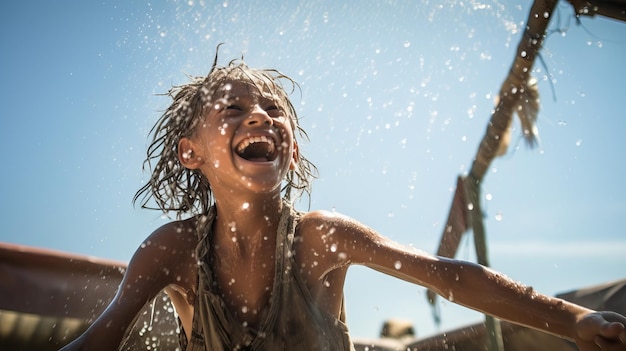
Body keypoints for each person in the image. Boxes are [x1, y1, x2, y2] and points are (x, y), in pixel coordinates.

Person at [59, 55, 626, 351]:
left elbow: (450, 276)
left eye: (273, 111)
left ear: (292, 147)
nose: (258, 116)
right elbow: (101, 338)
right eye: (232, 110)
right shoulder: (173, 249)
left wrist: (575, 320)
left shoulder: (318, 238)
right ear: (191, 152)